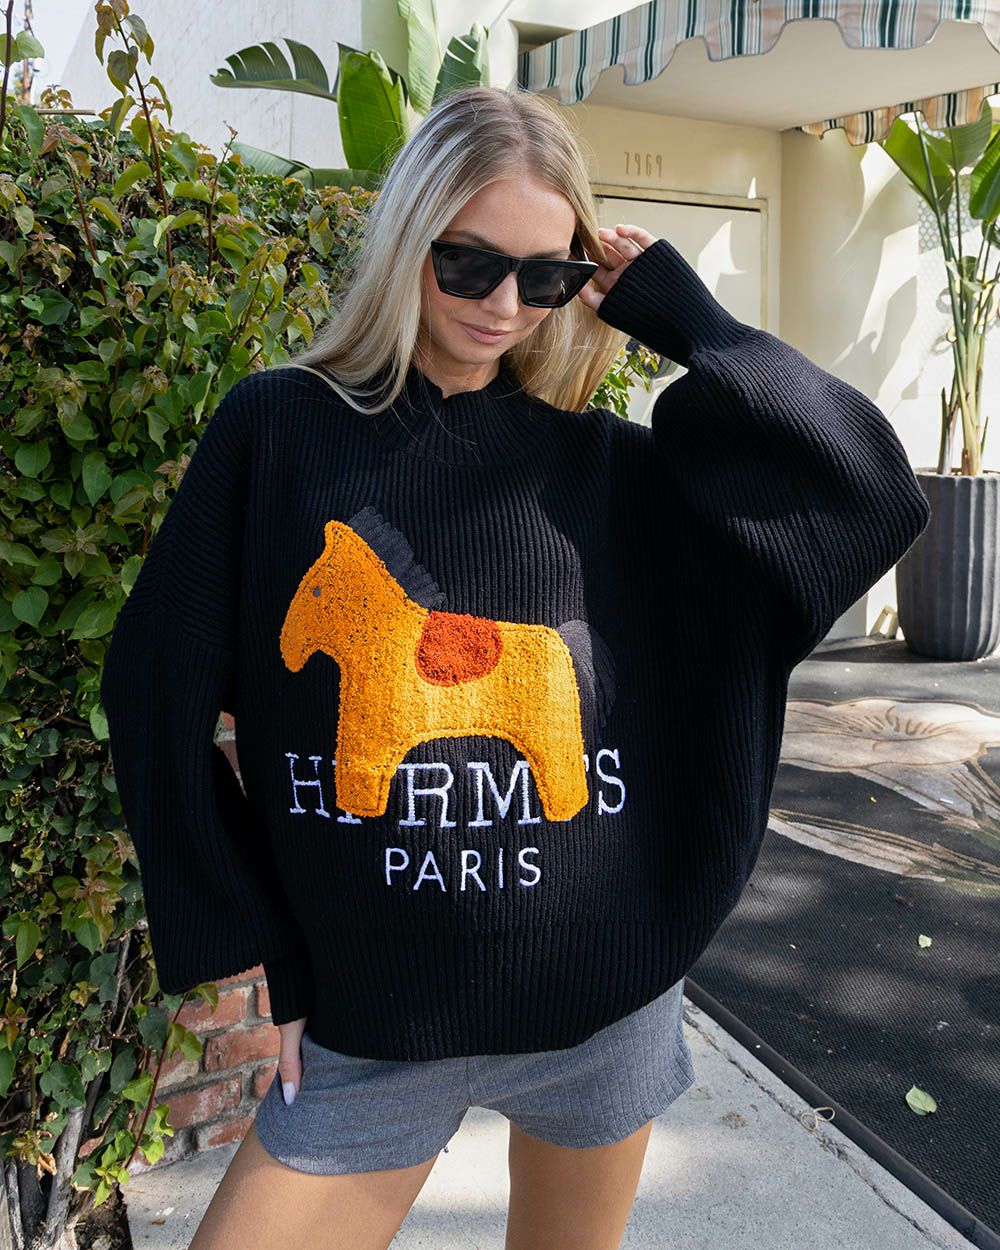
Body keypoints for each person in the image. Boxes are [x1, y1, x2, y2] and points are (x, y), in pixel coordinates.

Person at [100, 84, 931, 1249]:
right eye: (470, 264)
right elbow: (152, 689)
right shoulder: (278, 430)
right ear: (407, 238)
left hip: (603, 1013)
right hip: (375, 1024)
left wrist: (686, 318)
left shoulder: (607, 471)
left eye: (545, 275)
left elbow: (866, 495)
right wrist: (266, 950)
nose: (504, 305)